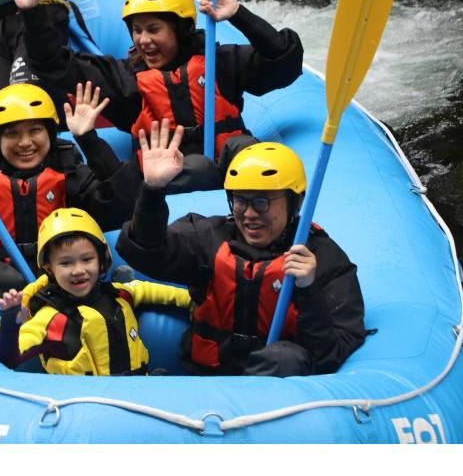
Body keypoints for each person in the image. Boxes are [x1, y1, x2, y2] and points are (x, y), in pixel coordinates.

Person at [7, 0, 304, 191]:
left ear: (181, 30)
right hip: (162, 184)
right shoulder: (124, 80)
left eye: (153, 29)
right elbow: (54, 65)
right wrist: (32, 13)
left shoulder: (218, 63)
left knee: (244, 147)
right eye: (136, 31)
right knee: (196, 165)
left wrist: (240, 15)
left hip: (236, 179)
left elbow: (284, 63)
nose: (143, 40)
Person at [115, 121, 367, 376]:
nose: (248, 214)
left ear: (294, 203)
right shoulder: (209, 238)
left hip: (274, 395)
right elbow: (143, 251)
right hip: (207, 380)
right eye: (240, 201)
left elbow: (330, 353)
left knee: (287, 359)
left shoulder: (322, 258)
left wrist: (308, 292)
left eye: (261, 202)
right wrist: (153, 191)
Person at [0, 82, 142, 313]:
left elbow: (120, 208)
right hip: (6, 293)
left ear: (50, 133)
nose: (25, 142)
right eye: (12, 133)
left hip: (65, 282)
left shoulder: (68, 172)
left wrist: (89, 140)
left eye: (35, 130)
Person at [0, 207, 191, 375]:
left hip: (136, 391)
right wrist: (11, 321)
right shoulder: (50, 320)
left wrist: (196, 299)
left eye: (87, 259)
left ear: (101, 260)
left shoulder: (119, 294)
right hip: (86, 409)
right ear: (49, 268)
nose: (78, 271)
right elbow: (8, 360)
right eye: (65, 263)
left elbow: (149, 290)